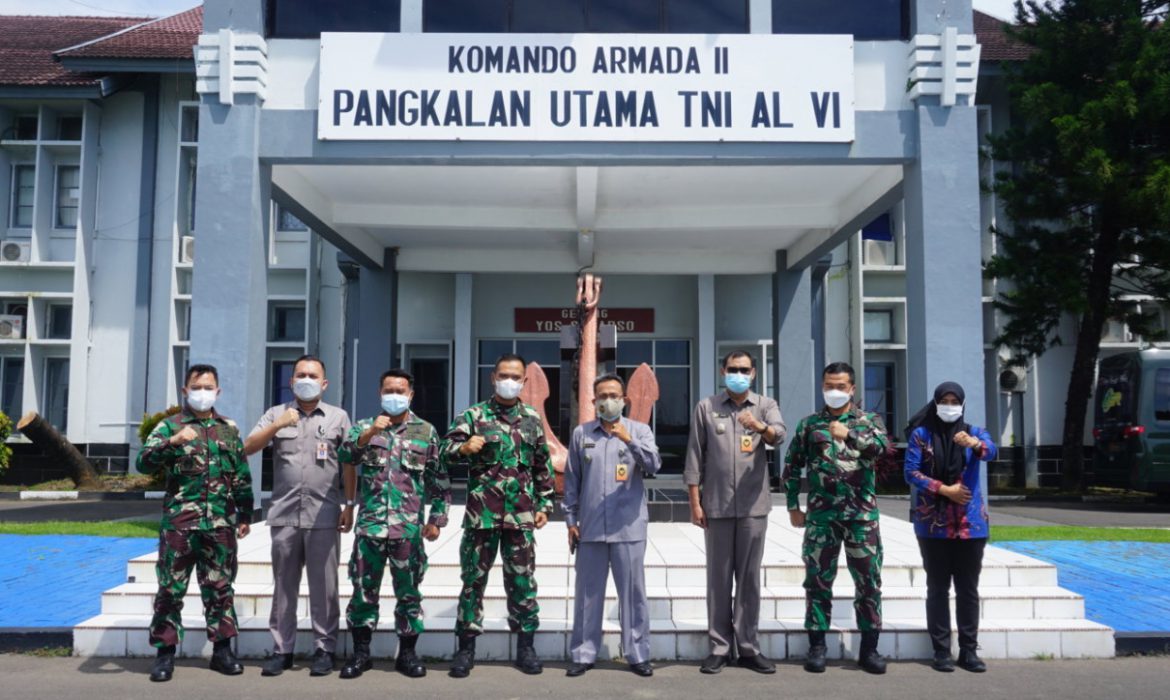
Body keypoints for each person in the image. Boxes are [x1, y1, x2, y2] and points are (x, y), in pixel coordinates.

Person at [440, 353, 555, 678]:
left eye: (515, 377)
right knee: (472, 582)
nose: (509, 381)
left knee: (522, 582)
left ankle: (526, 647)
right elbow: (442, 453)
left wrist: (545, 504)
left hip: (520, 517)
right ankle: (465, 649)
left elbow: (542, 464)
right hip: (482, 517)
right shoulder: (474, 416)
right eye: (504, 375)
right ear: (493, 378)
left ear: (524, 381)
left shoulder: (532, 418)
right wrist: (463, 448)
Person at [137, 364, 253, 683]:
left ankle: (222, 652)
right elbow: (142, 463)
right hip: (180, 525)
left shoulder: (228, 429)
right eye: (197, 387)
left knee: (220, 589)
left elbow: (241, 475)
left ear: (218, 391)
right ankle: (164, 655)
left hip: (219, 524)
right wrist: (172, 442)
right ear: (185, 391)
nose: (203, 392)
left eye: (208, 387)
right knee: (170, 590)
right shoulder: (169, 426)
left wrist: (245, 514)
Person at [337, 368, 450, 679]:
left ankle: (408, 655)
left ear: (410, 395)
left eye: (400, 391)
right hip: (370, 527)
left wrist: (437, 519)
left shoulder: (425, 432)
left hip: (408, 529)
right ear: (380, 393)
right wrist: (370, 433)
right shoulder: (364, 426)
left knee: (409, 593)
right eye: (389, 390)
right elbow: (346, 456)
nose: (394, 396)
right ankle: (361, 654)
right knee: (363, 592)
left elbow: (439, 478)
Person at [245, 355, 351, 677]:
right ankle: (282, 650)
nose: (306, 380)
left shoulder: (338, 417)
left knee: (324, 587)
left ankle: (324, 649)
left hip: (324, 514)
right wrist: (277, 425)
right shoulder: (275, 413)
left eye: (312, 375)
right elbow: (248, 446)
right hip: (285, 514)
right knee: (284, 586)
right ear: (291, 381)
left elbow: (350, 462)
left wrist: (350, 504)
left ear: (324, 383)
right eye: (300, 375)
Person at [683, 351, 786, 675]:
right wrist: (695, 502)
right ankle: (719, 648)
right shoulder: (707, 407)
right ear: (722, 371)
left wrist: (759, 426)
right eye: (732, 369)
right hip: (717, 505)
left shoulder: (765, 405)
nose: (738, 374)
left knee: (749, 580)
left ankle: (748, 648)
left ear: (753, 373)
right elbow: (694, 456)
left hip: (753, 507)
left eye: (743, 370)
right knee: (718, 579)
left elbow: (779, 435)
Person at [784, 361, 889, 675]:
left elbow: (882, 450)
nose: (835, 391)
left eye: (841, 386)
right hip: (822, 516)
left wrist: (850, 435)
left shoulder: (869, 421)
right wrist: (792, 505)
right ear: (822, 387)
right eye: (829, 386)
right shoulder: (809, 424)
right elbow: (792, 465)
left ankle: (869, 650)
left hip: (861, 517)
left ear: (852, 388)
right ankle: (817, 646)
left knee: (868, 583)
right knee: (817, 582)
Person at [563, 373, 662, 678]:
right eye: (603, 396)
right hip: (591, 527)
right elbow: (572, 480)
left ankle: (637, 654)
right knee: (587, 595)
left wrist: (629, 440)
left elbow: (654, 465)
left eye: (614, 396)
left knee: (633, 595)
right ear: (594, 401)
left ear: (624, 400)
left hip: (628, 528)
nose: (608, 401)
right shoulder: (581, 434)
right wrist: (571, 520)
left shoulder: (640, 430)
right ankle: (583, 653)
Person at [904, 381, 997, 673]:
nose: (949, 406)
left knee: (968, 589)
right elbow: (911, 472)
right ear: (935, 403)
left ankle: (969, 650)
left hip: (971, 525)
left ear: (963, 404)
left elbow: (991, 452)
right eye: (944, 400)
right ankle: (941, 650)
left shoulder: (974, 432)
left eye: (955, 401)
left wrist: (975, 444)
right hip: (933, 525)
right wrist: (944, 490)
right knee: (938, 588)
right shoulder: (921, 435)